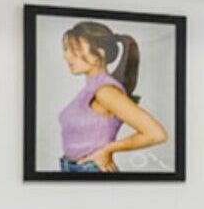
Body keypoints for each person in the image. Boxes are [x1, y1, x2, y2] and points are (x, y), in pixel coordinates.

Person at [55, 21, 169, 173]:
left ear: (99, 54)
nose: (66, 56)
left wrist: (107, 150)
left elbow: (156, 134)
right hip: (73, 168)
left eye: (75, 50)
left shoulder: (105, 91)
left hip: (90, 169)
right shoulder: (90, 89)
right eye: (66, 49)